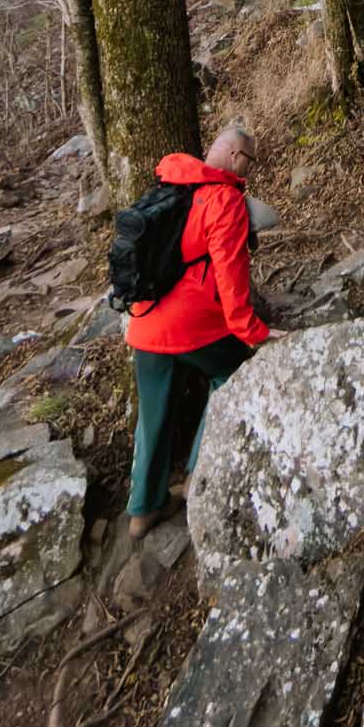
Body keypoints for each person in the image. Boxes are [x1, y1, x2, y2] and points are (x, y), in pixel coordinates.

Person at [124, 122, 269, 540]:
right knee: (233, 372)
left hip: (145, 321)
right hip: (192, 327)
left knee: (152, 416)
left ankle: (142, 511)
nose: (248, 171)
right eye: (250, 162)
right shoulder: (224, 199)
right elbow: (231, 277)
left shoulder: (168, 183)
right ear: (237, 157)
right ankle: (196, 477)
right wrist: (254, 333)